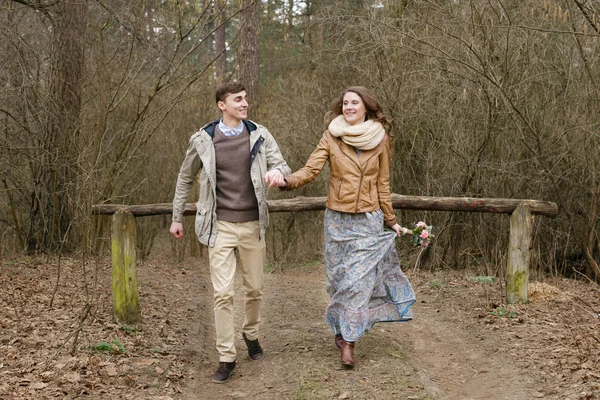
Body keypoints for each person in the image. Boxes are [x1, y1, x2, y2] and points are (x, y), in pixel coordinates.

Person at [268, 86, 416, 369]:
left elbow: (383, 184)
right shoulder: (331, 137)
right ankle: (341, 328)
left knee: (358, 282)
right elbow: (310, 170)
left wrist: (391, 220)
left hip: (369, 220)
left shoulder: (381, 139)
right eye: (345, 103)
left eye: (354, 103)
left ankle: (348, 341)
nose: (348, 107)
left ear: (366, 108)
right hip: (337, 219)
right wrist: (286, 181)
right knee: (338, 281)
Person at [170, 82, 290, 383]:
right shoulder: (203, 140)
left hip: (253, 225)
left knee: (255, 290)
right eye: (238, 99)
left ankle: (251, 334)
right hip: (219, 226)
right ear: (222, 105)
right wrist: (176, 218)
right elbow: (185, 178)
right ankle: (226, 356)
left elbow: (282, 166)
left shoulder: (260, 134)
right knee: (223, 293)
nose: (244, 103)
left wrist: (279, 174)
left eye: (246, 98)